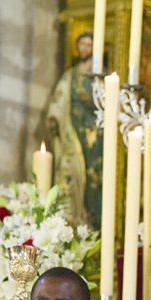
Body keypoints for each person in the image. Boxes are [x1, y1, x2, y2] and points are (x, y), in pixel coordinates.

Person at [45, 32, 104, 228]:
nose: (85, 49)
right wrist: (54, 118)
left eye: (89, 45)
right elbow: (60, 99)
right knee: (71, 172)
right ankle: (73, 218)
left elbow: (109, 103)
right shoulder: (70, 75)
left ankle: (92, 223)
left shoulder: (100, 76)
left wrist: (93, 102)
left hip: (94, 137)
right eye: (82, 44)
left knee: (93, 180)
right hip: (72, 132)